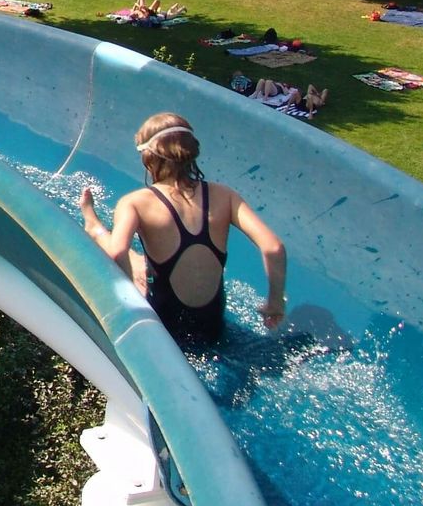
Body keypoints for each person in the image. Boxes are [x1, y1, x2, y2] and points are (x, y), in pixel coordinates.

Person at [80, 114, 287, 344]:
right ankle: (107, 237)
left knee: (132, 263)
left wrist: (133, 303)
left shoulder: (135, 203)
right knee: (144, 263)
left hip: (164, 327)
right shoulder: (225, 196)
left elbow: (117, 253)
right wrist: (275, 302)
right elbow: (274, 247)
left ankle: (95, 227)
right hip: (213, 327)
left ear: (148, 159)